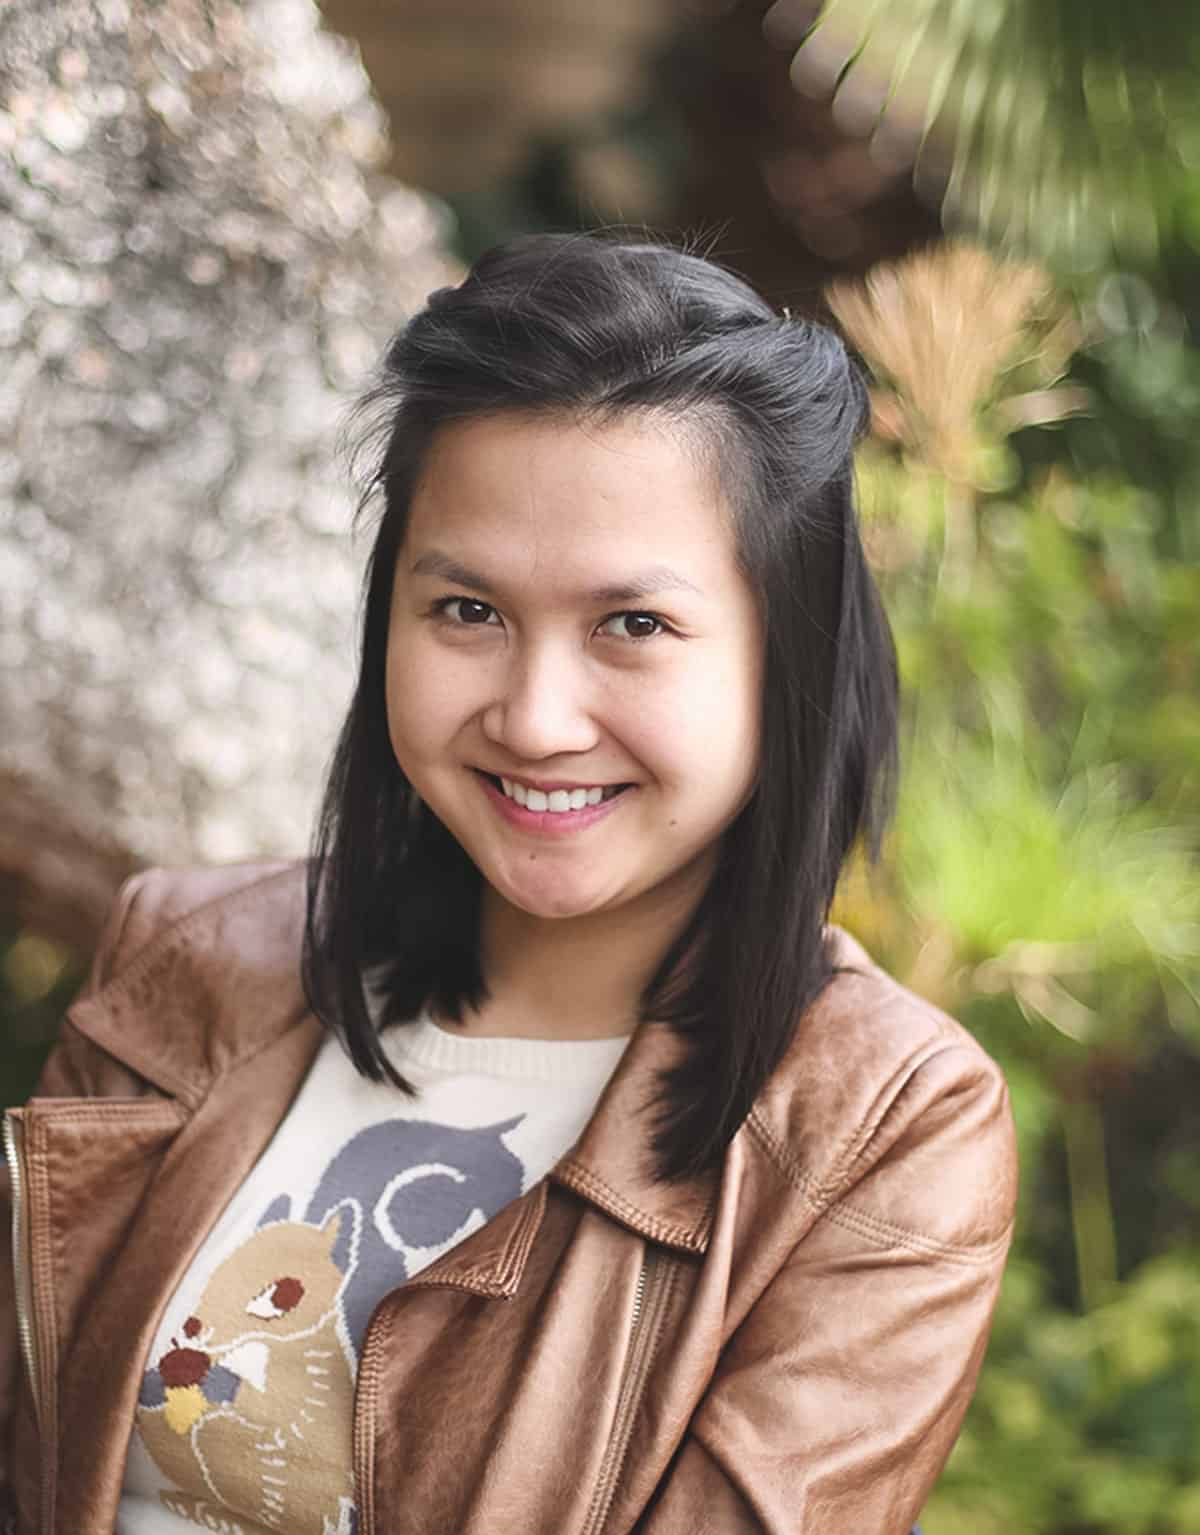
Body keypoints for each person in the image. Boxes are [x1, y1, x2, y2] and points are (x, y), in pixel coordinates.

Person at [1, 233, 1017, 1534]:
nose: (535, 720)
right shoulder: (187, 955)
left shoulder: (884, 1127)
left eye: (633, 625)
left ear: (788, 657)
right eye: (468, 611)